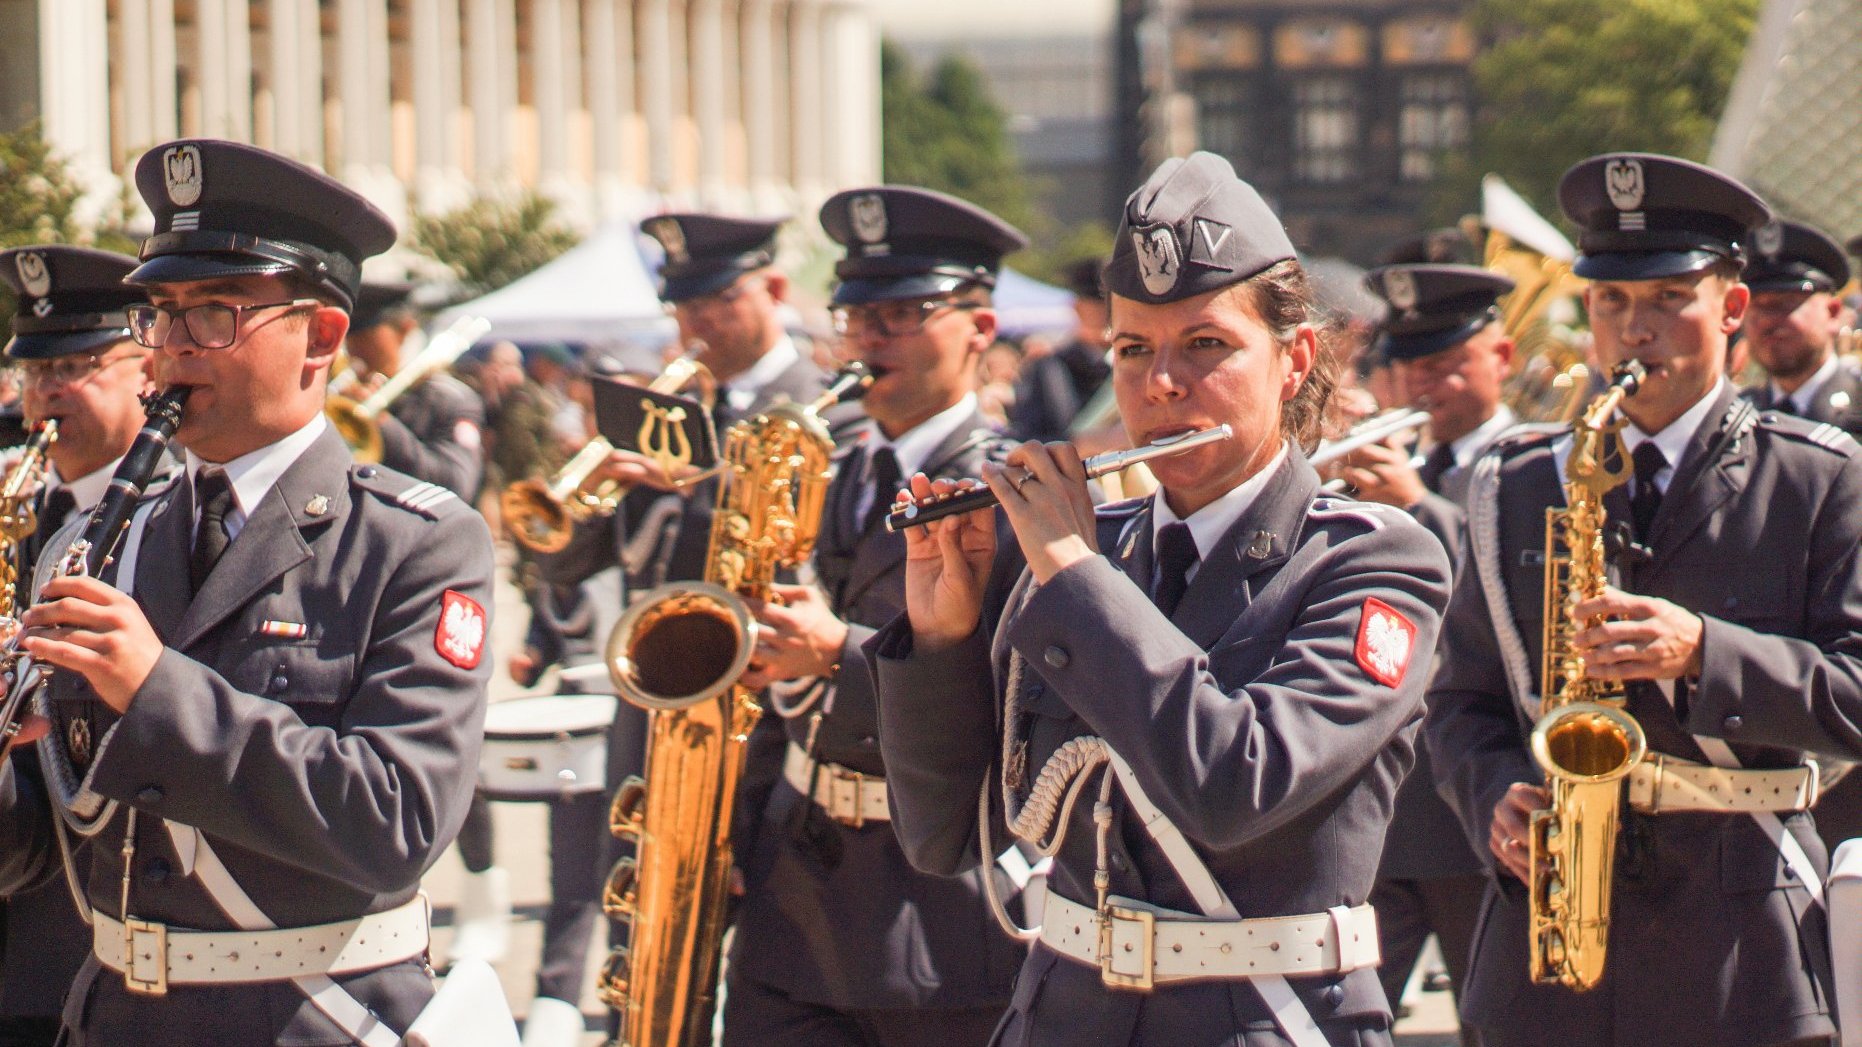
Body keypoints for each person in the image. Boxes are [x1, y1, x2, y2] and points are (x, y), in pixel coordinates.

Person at [870, 152, 1453, 1046]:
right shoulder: (1094, 556)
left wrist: (1075, 575)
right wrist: (942, 639)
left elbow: (1235, 785)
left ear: (1295, 358)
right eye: (1133, 349)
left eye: (1206, 345)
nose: (1162, 384)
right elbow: (949, 840)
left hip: (1262, 1019)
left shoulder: (1376, 562)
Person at [0, 138, 495, 1046]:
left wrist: (155, 690)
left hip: (308, 1018)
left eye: (215, 314)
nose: (175, 349)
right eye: (159, 314)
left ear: (323, 336)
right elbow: (45, 839)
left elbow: (398, 819)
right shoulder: (90, 539)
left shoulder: (415, 541)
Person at [1426, 152, 1862, 1047]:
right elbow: (1458, 701)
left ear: (1732, 308)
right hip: (1548, 950)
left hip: (1747, 940)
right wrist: (1493, 794)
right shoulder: (1513, 483)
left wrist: (1707, 649)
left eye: (1669, 299)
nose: (1636, 331)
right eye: (1613, 301)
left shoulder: (1820, 477)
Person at [717, 185, 1029, 1047]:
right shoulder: (830, 470)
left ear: (981, 327)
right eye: (858, 315)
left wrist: (837, 656)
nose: (871, 337)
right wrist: (733, 839)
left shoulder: (1018, 491)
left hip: (942, 918)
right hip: (797, 902)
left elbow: (1021, 699)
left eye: (905, 312)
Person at [0, 245, 173, 1046]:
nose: (49, 393)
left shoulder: (182, 517)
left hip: (93, 936)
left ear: (145, 370)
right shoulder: (22, 510)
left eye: (77, 364)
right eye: (36, 371)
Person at [1348, 263, 1526, 1038]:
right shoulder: (1394, 460)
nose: (1426, 383)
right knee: (1346, 1016)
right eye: (1412, 364)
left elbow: (1514, 601)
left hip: (1483, 799)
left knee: (1498, 1020)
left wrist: (1419, 509)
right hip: (1388, 800)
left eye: (1449, 361)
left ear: (1503, 358)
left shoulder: (1537, 462)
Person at [340, 280, 486, 499]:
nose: (355, 349)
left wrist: (381, 424)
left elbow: (457, 483)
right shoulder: (343, 393)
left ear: (405, 330)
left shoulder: (450, 399)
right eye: (349, 338)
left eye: (366, 337)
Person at [1741, 220, 1857, 429]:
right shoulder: (1734, 416)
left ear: (1832, 313)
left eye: (1785, 303)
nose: (1768, 319)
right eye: (1756, 305)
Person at [1009, 257, 1111, 442]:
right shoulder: (1050, 367)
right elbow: (1029, 438)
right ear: (1077, 308)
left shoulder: (1132, 364)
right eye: (1099, 305)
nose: (1108, 313)